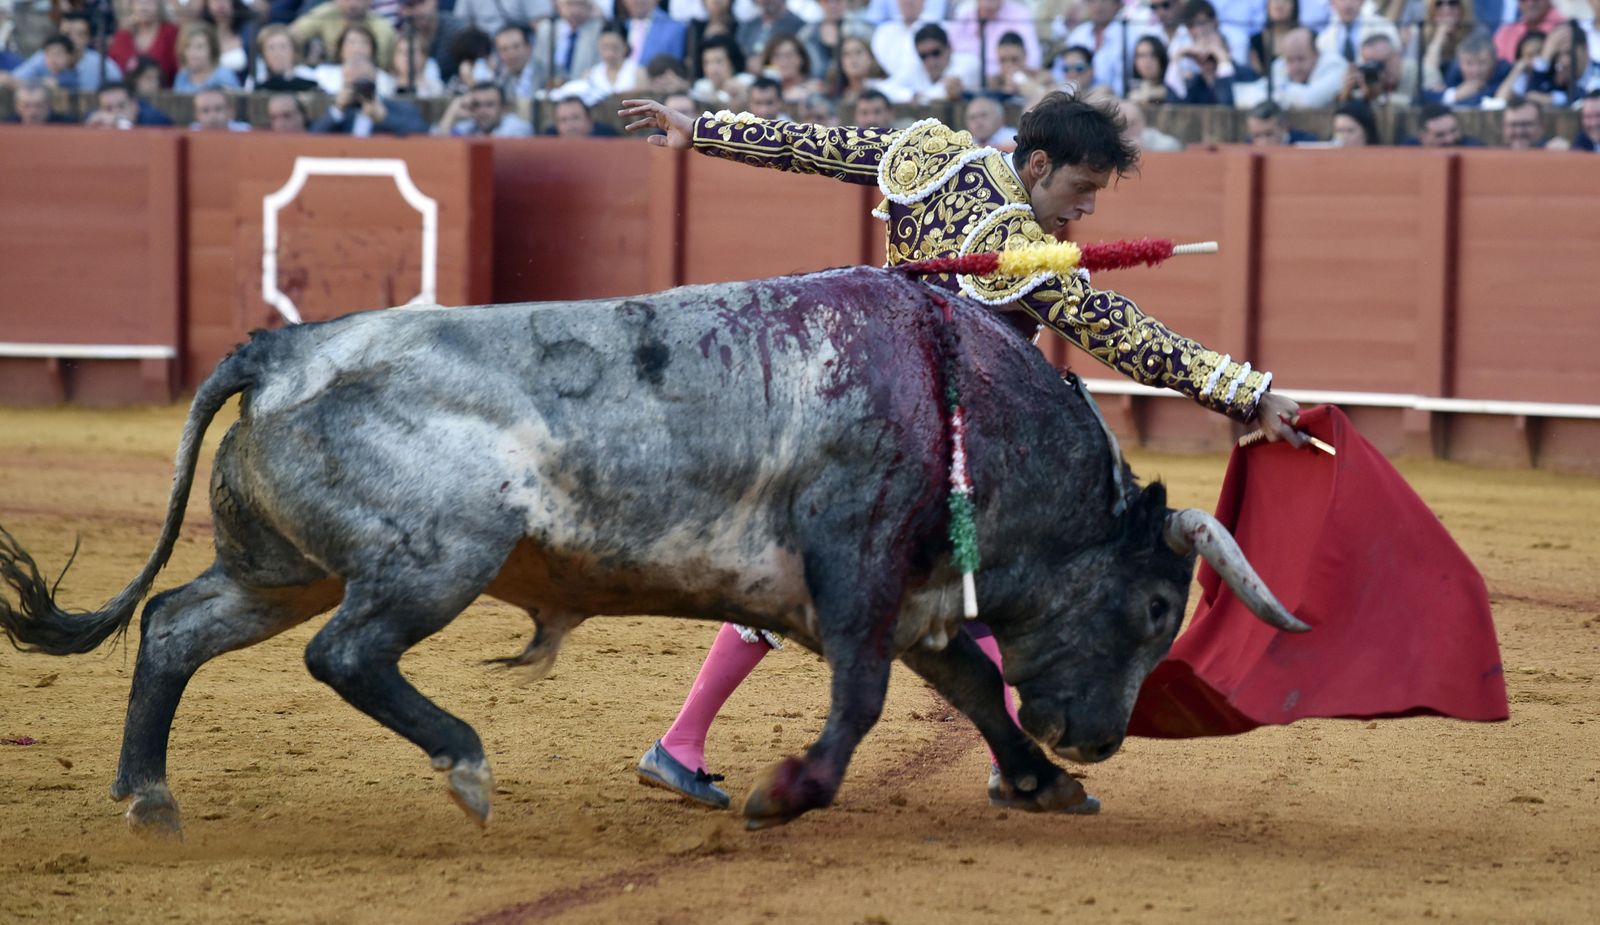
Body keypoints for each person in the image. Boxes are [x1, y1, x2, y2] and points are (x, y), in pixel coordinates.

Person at [617, 89, 1306, 810]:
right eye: (1080, 189)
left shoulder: (934, 156)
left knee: (945, 579)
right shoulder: (1024, 249)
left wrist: (704, 131)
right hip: (928, 444)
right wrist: (1249, 395)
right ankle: (683, 741)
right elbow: (1124, 335)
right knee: (872, 574)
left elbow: (816, 147)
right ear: (1038, 164)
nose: (1087, 211)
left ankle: (999, 762)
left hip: (862, 407)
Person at [108, 0, 180, 87]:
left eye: (149, 2)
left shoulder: (172, 33)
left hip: (166, 96)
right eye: (138, 2)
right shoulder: (122, 36)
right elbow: (112, 70)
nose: (143, 7)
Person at [433, 80, 533, 135]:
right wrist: (452, 112)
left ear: (503, 109)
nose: (482, 111)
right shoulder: (469, 127)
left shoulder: (518, 128)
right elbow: (438, 147)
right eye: (477, 105)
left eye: (489, 105)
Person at [7, 81, 76, 124]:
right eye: (26, 106)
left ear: (48, 105)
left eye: (39, 105)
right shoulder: (6, 126)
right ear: (17, 106)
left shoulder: (68, 125)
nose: (32, 112)